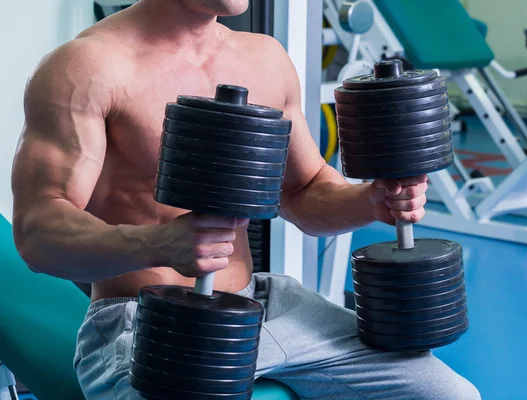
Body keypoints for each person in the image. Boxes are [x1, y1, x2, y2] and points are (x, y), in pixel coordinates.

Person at [10, 1, 480, 399]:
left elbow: (303, 190)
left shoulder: (265, 59)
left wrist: (372, 201)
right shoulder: (87, 67)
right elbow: (37, 231)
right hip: (144, 324)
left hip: (262, 305)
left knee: (449, 393)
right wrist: (159, 244)